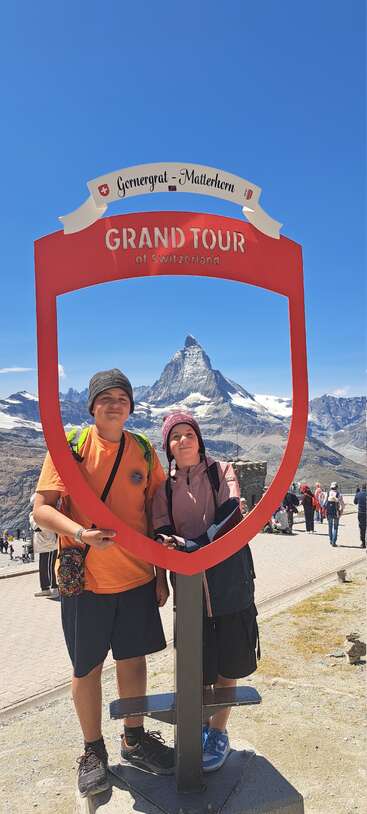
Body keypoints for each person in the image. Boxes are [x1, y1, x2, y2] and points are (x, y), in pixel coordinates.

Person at [33, 369, 174, 797]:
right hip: (85, 584)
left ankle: (134, 738)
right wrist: (80, 534)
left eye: (122, 398)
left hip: (135, 580)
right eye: (106, 398)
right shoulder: (70, 448)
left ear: (131, 406)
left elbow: (157, 517)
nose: (115, 404)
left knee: (133, 662)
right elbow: (42, 509)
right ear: (92, 406)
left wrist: (161, 575)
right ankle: (93, 750)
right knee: (86, 668)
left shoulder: (144, 451)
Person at [152, 412, 259, 773]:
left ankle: (218, 731)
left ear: (198, 438)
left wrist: (195, 544)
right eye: (175, 437)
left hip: (228, 581)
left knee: (228, 660)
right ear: (167, 446)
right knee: (196, 664)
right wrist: (171, 556)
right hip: (189, 586)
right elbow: (161, 532)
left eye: (188, 434)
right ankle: (197, 726)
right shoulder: (163, 488)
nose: (183, 441)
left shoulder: (220, 470)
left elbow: (232, 514)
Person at [29, 493, 59, 597]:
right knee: (43, 567)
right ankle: (45, 588)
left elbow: (38, 526)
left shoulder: (45, 513)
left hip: (50, 544)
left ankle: (54, 588)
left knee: (51, 566)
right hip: (43, 544)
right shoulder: (35, 514)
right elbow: (36, 527)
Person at [324, 481, 344, 546]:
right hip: (336, 512)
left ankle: (330, 540)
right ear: (336, 487)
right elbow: (342, 505)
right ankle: (334, 542)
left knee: (330, 526)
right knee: (335, 527)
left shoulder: (328, 493)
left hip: (329, 512)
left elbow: (324, 503)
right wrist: (341, 511)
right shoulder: (339, 494)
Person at [354, 483, 366, 548]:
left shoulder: (358, 494)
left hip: (361, 513)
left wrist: (357, 493)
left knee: (362, 528)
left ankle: (363, 542)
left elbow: (355, 502)